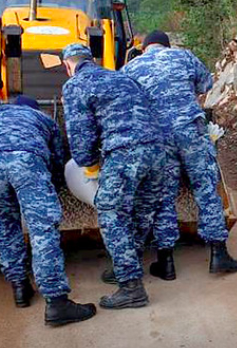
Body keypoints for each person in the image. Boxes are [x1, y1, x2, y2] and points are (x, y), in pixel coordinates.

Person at [122, 30, 237, 281]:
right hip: (190, 130)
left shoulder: (132, 67)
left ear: (144, 48)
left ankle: (166, 262)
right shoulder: (183, 56)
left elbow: (126, 102)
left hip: (158, 137)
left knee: (164, 195)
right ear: (167, 45)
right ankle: (219, 255)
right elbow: (205, 85)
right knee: (205, 188)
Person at [0, 95, 96, 326]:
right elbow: (57, 159)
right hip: (27, 161)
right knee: (42, 230)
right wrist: (57, 187)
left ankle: (20, 288)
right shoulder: (44, 119)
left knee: (5, 226)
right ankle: (57, 303)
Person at [61, 43, 164, 309]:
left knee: (110, 212)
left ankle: (131, 287)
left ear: (67, 65)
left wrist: (89, 166)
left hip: (125, 152)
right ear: (92, 59)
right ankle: (126, 267)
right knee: (141, 211)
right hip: (157, 150)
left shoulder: (76, 84)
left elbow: (80, 134)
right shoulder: (122, 76)